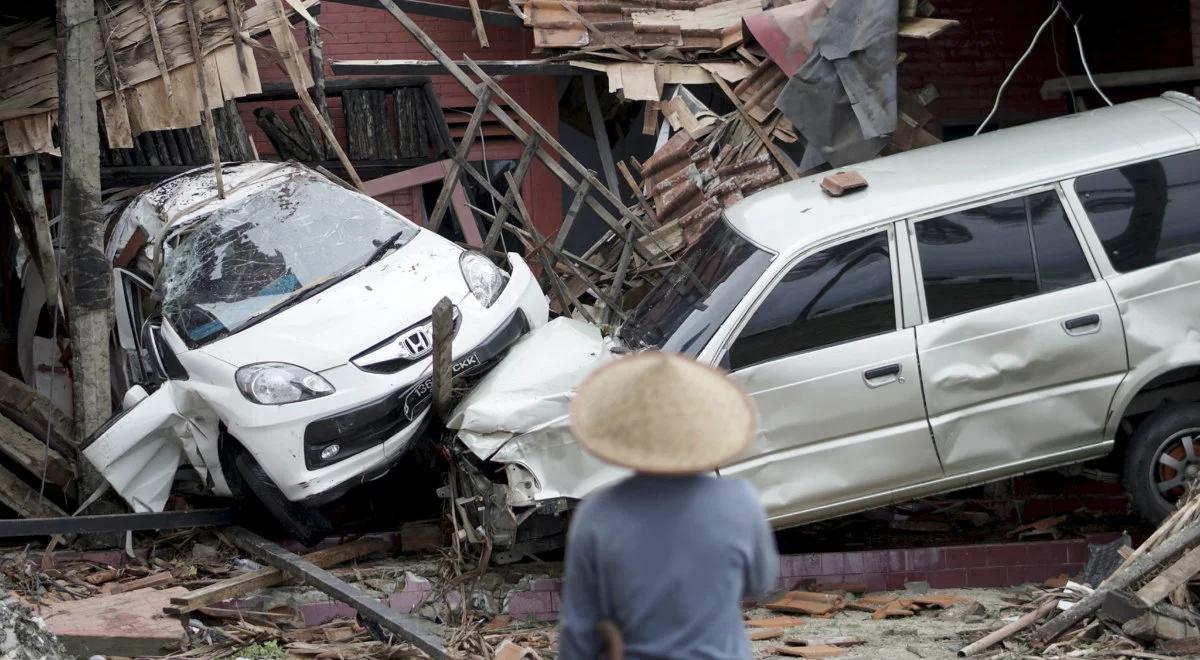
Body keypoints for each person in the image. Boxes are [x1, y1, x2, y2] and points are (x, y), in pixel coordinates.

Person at [557, 351, 780, 660]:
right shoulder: (740, 501)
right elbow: (760, 581)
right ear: (701, 430)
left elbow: (579, 631)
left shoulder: (596, 516)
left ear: (625, 434)